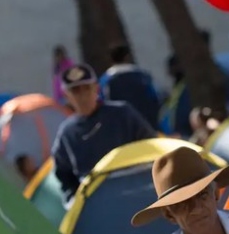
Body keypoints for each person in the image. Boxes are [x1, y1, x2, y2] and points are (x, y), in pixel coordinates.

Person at [52, 64, 157, 202]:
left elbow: (151, 146)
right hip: (99, 203)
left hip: (136, 192)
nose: (83, 96)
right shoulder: (67, 133)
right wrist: (75, 200)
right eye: (76, 91)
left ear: (96, 88)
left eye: (87, 88)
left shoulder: (122, 113)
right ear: (67, 96)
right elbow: (64, 175)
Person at [99, 44, 161, 129]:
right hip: (146, 124)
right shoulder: (142, 76)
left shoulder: (105, 81)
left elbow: (101, 103)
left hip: (120, 128)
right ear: (127, 57)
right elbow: (155, 98)